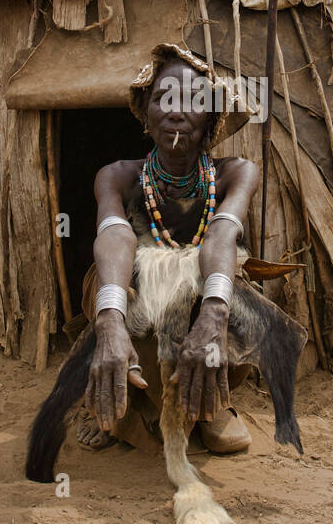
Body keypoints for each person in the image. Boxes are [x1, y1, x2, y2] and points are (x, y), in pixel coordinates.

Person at [78, 43, 256, 455]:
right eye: (163, 98)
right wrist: (108, 319)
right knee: (113, 284)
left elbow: (221, 238)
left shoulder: (236, 173)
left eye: (193, 100)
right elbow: (114, 235)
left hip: (202, 297)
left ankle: (212, 406)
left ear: (210, 118)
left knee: (229, 290)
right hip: (140, 304)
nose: (176, 111)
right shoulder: (118, 177)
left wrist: (213, 313)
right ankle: (118, 404)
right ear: (145, 113)